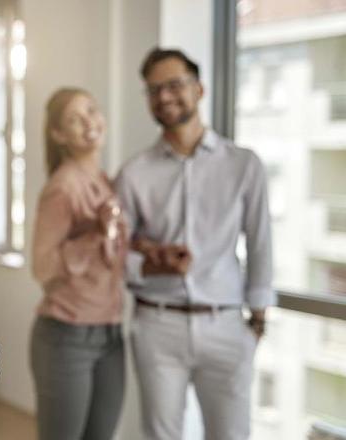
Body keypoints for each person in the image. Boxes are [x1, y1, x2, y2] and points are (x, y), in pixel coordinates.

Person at [115, 47, 274, 440]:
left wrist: (256, 321)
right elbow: (116, 254)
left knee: (232, 434)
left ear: (199, 89)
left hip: (225, 324)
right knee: (160, 434)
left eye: (174, 85)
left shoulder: (244, 164)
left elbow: (260, 244)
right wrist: (153, 265)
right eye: (154, 90)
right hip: (157, 323)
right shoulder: (134, 173)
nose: (164, 97)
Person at [30, 88, 127, 440]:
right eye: (75, 118)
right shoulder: (64, 186)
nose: (89, 122)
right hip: (67, 336)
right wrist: (92, 236)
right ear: (59, 135)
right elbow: (41, 267)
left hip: (110, 333)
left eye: (92, 110)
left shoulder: (105, 182)